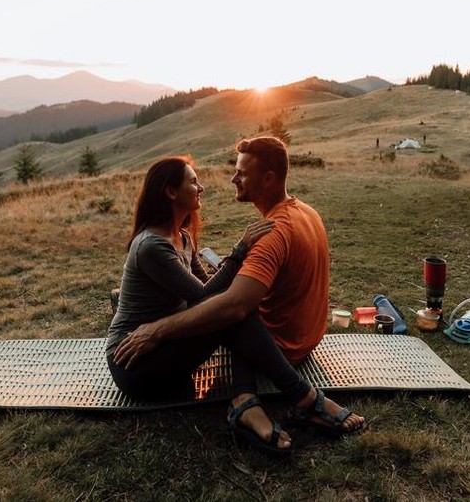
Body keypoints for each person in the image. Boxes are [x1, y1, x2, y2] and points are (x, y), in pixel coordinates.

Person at [107, 155, 364, 455]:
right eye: (193, 181)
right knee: (233, 311)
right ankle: (303, 398)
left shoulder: (183, 237)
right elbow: (204, 295)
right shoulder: (152, 246)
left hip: (163, 346)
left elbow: (207, 289)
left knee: (236, 306)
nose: (200, 187)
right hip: (135, 366)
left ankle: (247, 402)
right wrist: (240, 251)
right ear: (170, 191)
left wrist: (239, 275)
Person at [113, 136, 330, 366]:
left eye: (242, 174)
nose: (233, 179)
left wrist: (157, 330)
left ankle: (254, 393)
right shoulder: (307, 212)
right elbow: (206, 293)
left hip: (282, 347)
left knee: (232, 313)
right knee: (232, 306)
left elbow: (228, 307)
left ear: (268, 179)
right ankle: (275, 393)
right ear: (171, 193)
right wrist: (236, 260)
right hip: (306, 341)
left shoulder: (272, 233)